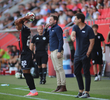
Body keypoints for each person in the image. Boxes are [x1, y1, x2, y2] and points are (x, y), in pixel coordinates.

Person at [71, 13, 95, 98]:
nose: (74, 20)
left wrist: (88, 53)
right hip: (77, 55)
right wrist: (72, 37)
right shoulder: (75, 27)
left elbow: (92, 42)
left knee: (86, 73)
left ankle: (87, 92)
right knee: (76, 72)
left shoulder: (89, 29)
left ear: (79, 20)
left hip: (85, 55)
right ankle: (80, 91)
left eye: (75, 19)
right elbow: (72, 33)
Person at [14, 15, 38, 96]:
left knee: (26, 72)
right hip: (25, 53)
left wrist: (24, 17)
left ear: (21, 23)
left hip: (26, 53)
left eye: (17, 25)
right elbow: (17, 22)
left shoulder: (25, 29)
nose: (16, 26)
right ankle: (33, 90)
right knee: (25, 72)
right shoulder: (24, 29)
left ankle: (33, 91)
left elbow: (17, 21)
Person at [45, 15, 67, 92]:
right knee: (56, 69)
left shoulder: (58, 28)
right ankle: (59, 85)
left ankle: (63, 86)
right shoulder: (51, 29)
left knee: (60, 68)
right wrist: (45, 28)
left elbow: (61, 40)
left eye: (51, 20)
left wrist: (59, 51)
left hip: (57, 50)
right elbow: (45, 36)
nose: (49, 21)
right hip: (52, 50)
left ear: (55, 21)